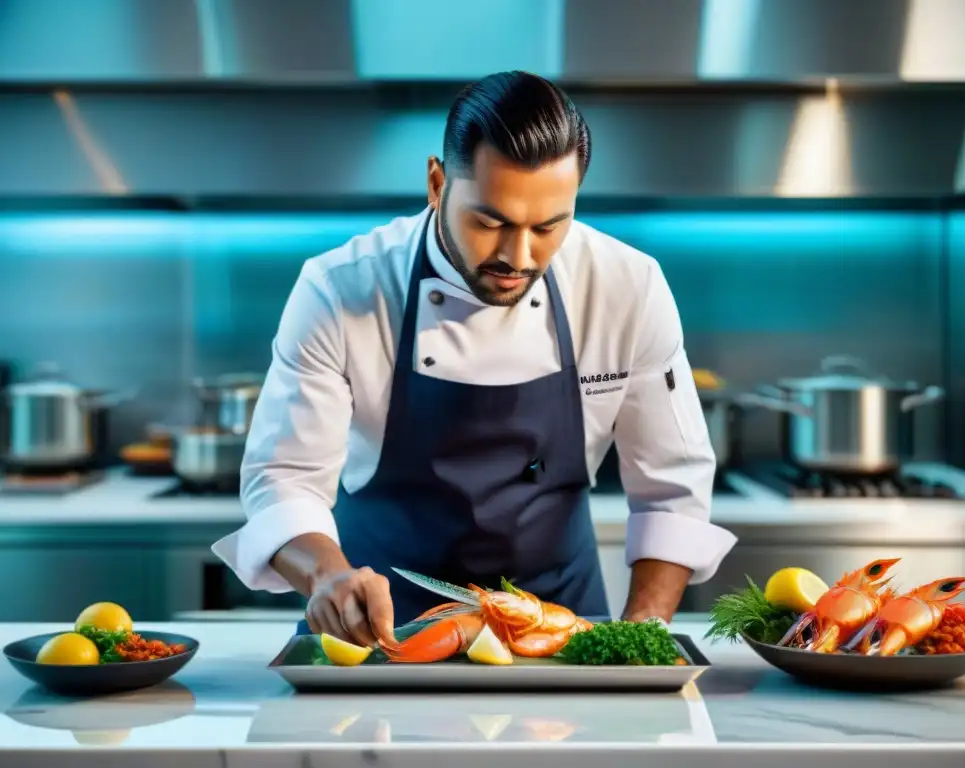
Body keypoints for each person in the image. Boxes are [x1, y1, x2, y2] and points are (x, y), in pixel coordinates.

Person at [211, 70, 737, 647]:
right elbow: (284, 478)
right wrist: (326, 576)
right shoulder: (341, 289)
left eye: (549, 226)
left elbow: (672, 485)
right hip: (379, 633)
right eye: (490, 222)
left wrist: (641, 636)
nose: (518, 255)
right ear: (437, 184)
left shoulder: (626, 287)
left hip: (559, 630)